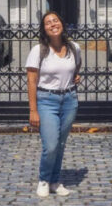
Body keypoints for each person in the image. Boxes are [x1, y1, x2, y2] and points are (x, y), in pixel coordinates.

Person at [26, 10, 81, 198]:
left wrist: (75, 77)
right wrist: (33, 110)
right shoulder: (38, 51)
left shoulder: (74, 47)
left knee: (61, 143)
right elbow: (31, 81)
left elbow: (76, 68)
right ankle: (44, 179)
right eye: (48, 23)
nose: (52, 24)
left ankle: (55, 181)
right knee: (50, 145)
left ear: (62, 24)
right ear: (44, 29)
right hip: (46, 100)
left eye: (55, 20)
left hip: (69, 101)